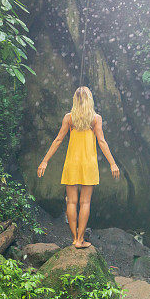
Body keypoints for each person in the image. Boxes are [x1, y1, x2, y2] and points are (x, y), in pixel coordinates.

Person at [37, 86, 120, 248]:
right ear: (90, 100)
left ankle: (74, 238)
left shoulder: (69, 118)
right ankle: (80, 240)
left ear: (75, 100)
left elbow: (58, 140)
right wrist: (112, 163)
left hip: (72, 163)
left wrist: (45, 161)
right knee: (85, 202)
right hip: (88, 163)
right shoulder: (95, 118)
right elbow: (102, 142)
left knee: (71, 202)